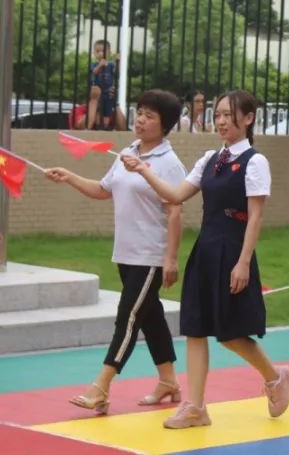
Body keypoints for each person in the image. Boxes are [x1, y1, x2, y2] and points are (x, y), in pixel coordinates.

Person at [123, 90, 289, 429]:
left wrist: (243, 261)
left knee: (230, 333)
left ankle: (274, 377)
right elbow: (175, 195)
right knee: (196, 328)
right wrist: (143, 170)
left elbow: (255, 217)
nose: (222, 121)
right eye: (218, 115)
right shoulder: (209, 159)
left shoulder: (255, 162)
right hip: (205, 250)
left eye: (229, 115)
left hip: (233, 251)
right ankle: (196, 406)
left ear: (248, 119)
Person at [45, 89, 186, 415]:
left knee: (129, 318)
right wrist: (68, 177)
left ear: (165, 125)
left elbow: (175, 211)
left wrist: (171, 258)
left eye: (150, 115)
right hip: (125, 252)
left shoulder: (168, 163)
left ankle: (101, 387)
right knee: (151, 317)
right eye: (139, 112)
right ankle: (168, 381)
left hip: (149, 255)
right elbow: (102, 190)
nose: (140, 119)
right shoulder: (127, 153)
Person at [86, 39, 126, 131]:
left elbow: (116, 73)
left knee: (108, 111)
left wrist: (118, 62)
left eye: (103, 51)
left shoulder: (111, 64)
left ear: (109, 52)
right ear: (94, 53)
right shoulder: (94, 64)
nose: (100, 53)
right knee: (97, 107)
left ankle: (105, 127)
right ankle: (91, 126)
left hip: (108, 92)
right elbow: (95, 72)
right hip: (98, 91)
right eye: (97, 51)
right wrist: (100, 65)